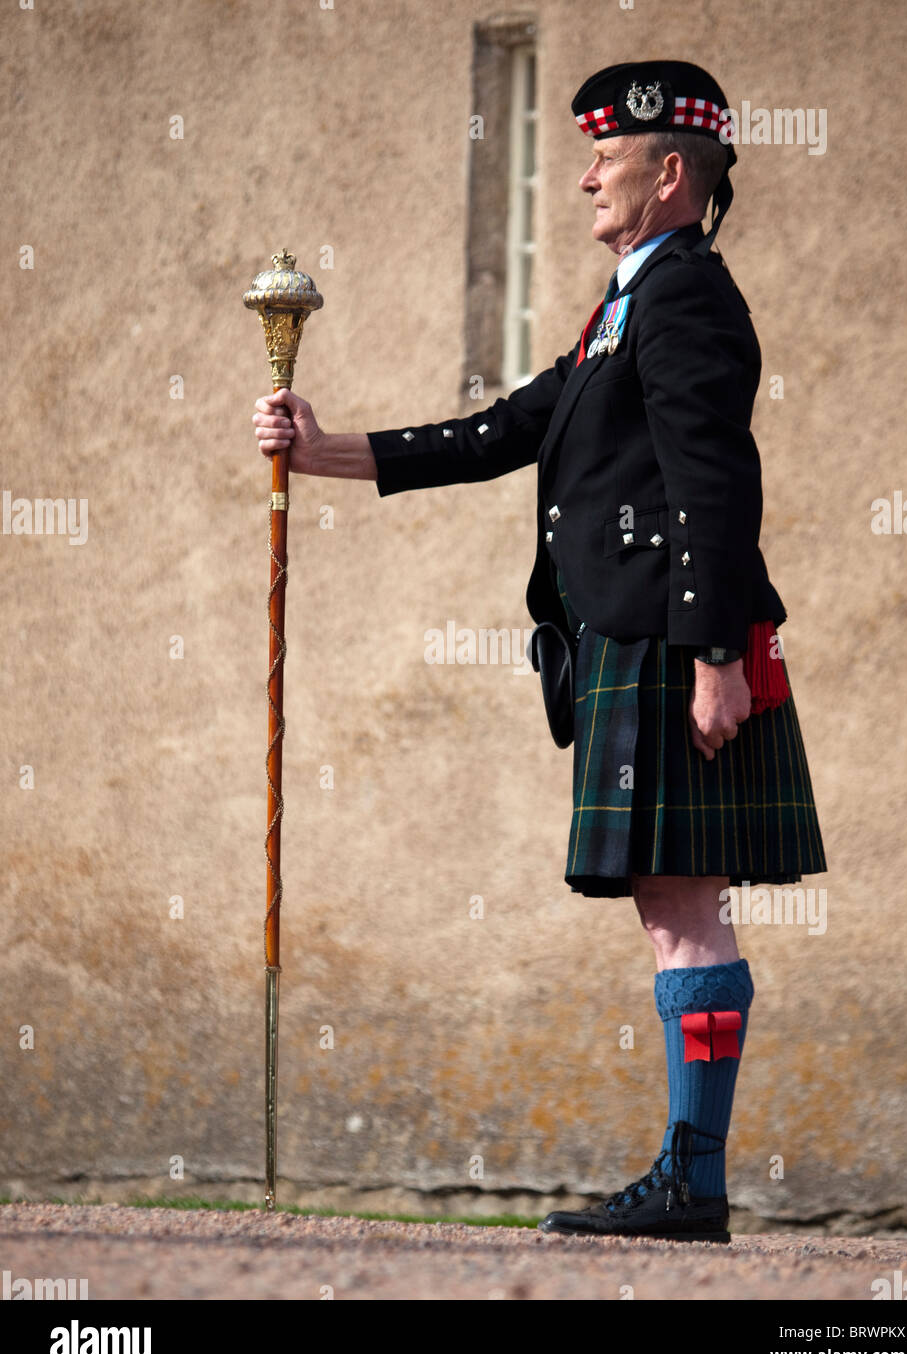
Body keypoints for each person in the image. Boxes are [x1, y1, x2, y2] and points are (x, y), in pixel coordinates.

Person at [252, 60, 827, 1242]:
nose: (581, 177)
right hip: (645, 636)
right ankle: (691, 1176)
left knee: (682, 909)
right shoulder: (627, 304)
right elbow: (506, 429)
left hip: (674, 637)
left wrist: (717, 649)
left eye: (604, 159)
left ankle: (692, 1181)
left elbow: (713, 480)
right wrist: (327, 451)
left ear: (671, 172)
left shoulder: (682, 298)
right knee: (674, 909)